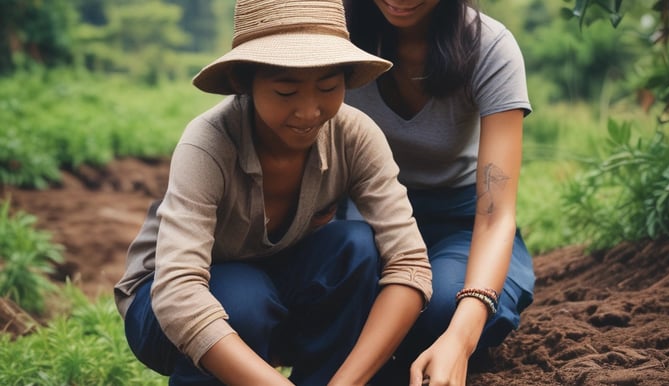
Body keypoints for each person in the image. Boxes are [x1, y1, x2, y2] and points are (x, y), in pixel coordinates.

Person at [113, 0, 433, 385]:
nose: (309, 111)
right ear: (245, 83)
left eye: (329, 87)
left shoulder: (355, 136)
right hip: (165, 307)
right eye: (285, 91)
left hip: (273, 288)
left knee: (355, 247)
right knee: (243, 296)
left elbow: (409, 264)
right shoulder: (209, 144)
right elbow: (178, 292)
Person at [341, 1, 536, 385]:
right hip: (365, 217)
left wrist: (461, 338)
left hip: (460, 220)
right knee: (352, 293)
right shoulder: (334, 35)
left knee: (443, 308)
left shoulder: (489, 47)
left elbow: (495, 214)